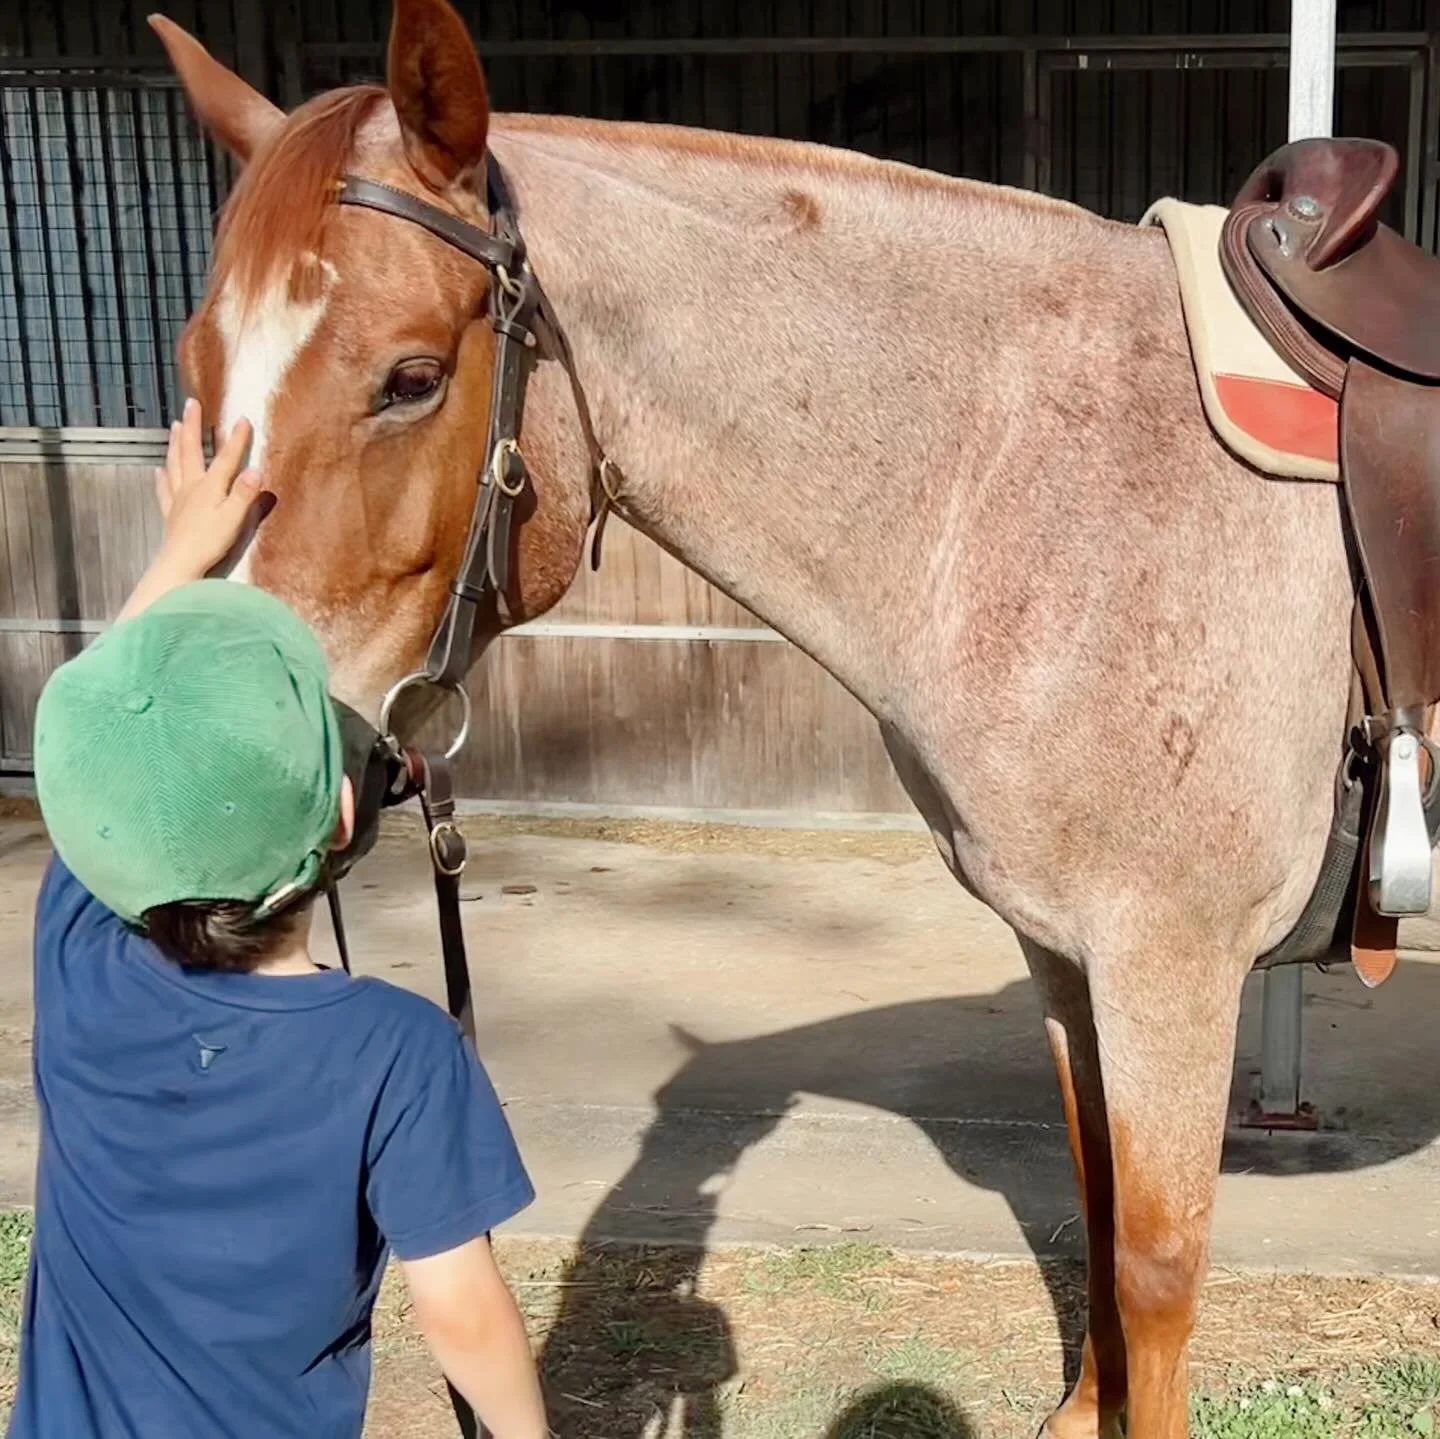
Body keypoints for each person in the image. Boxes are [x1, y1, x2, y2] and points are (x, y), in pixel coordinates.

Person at [8, 400, 547, 1439]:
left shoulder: (75, 944)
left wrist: (181, 556)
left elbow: (105, 750)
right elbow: (460, 1309)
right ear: (344, 816)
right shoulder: (395, 1053)